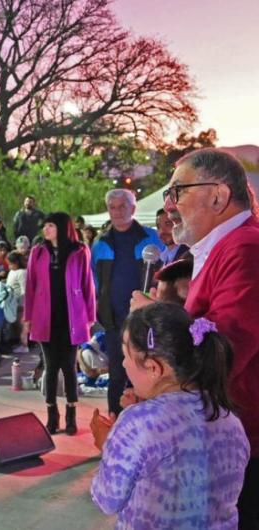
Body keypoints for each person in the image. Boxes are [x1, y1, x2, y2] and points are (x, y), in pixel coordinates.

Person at [156, 148, 259, 527]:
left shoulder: (245, 248)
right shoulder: (223, 248)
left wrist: (154, 324)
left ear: (217, 195)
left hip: (244, 445)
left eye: (177, 191)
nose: (169, 205)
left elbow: (225, 350)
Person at [90, 303, 249, 529]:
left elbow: (107, 499)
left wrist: (109, 447)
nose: (123, 363)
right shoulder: (229, 418)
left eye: (126, 355)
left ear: (153, 368)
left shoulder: (137, 423)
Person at [91, 189, 163, 416]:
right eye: (112, 207)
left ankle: (146, 423)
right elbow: (94, 280)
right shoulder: (100, 243)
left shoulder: (151, 238)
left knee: (148, 372)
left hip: (146, 321)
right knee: (117, 374)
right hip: (114, 321)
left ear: (133, 208)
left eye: (122, 206)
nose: (117, 211)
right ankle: (115, 423)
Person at [24, 212, 96, 435]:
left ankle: (71, 416)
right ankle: (52, 417)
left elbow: (88, 285)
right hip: (45, 318)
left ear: (63, 228)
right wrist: (28, 318)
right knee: (50, 367)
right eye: (45, 226)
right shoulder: (37, 252)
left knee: (70, 368)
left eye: (51, 225)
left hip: (71, 318)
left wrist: (90, 318)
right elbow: (30, 287)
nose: (46, 229)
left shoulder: (80, 251)